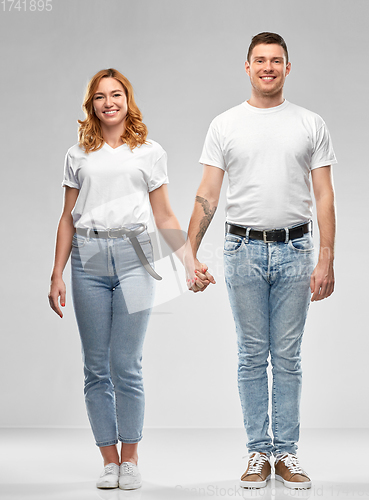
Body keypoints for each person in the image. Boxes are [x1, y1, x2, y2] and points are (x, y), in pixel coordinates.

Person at [186, 32, 337, 489]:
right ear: (247, 68)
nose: (268, 67)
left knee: (286, 356)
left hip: (296, 249)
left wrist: (326, 258)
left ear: (288, 68)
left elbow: (324, 194)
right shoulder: (225, 125)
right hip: (241, 250)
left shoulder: (310, 123)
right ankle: (258, 451)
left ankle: (286, 452)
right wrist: (188, 252)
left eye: (276, 61)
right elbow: (208, 193)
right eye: (259, 60)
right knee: (252, 355)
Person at [48, 68, 210, 490]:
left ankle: (132, 458)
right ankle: (108, 460)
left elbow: (165, 215)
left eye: (115, 94)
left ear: (127, 99)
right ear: (91, 105)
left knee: (127, 364)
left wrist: (189, 261)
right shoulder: (77, 154)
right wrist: (56, 274)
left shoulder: (149, 152)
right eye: (99, 96)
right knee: (96, 366)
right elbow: (67, 218)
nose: (108, 102)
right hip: (87, 258)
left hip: (135, 255)